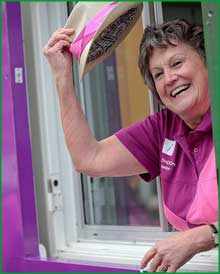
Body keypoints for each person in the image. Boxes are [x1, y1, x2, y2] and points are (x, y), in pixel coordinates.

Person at [43, 19, 218, 272]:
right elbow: (89, 158)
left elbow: (196, 239)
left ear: (208, 63)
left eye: (177, 63)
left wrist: (203, 237)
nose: (170, 78)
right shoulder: (164, 127)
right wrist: (62, 77)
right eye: (158, 74)